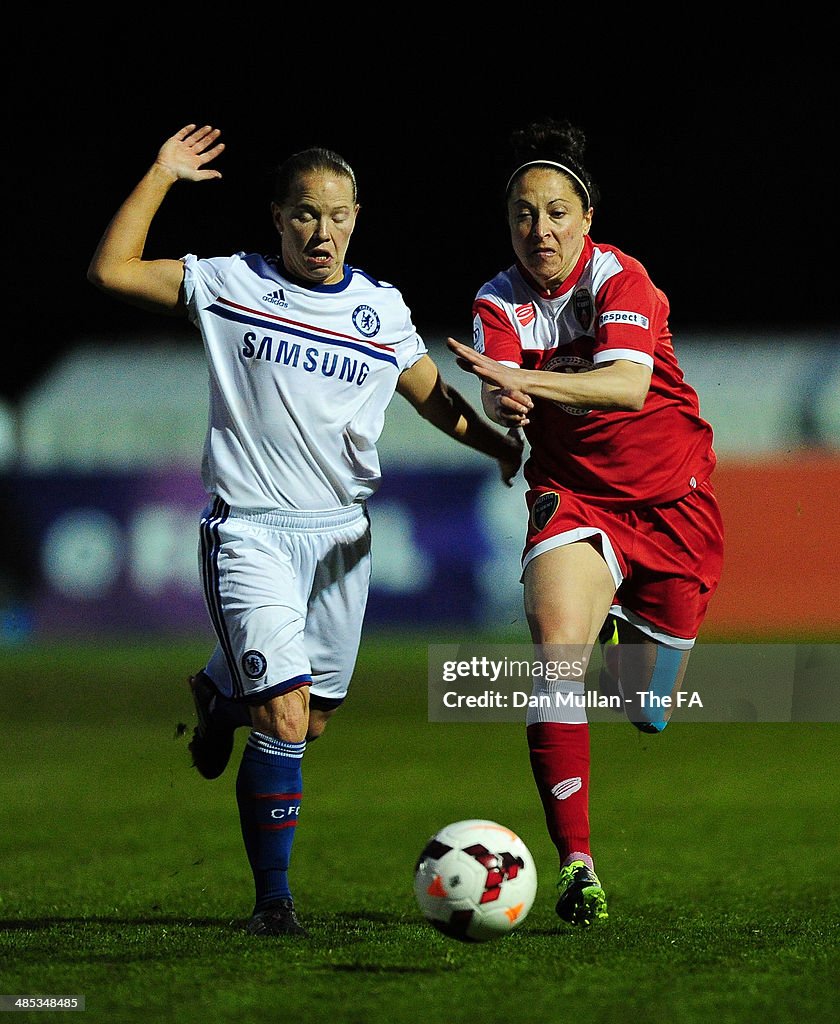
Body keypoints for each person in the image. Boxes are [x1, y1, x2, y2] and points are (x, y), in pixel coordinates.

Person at [87, 124, 523, 938]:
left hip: (341, 542)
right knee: (283, 717)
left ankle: (217, 695)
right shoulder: (228, 284)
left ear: (357, 217)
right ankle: (273, 904)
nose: (321, 233)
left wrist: (500, 447)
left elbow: (432, 397)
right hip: (249, 530)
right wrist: (160, 174)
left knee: (310, 720)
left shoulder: (381, 310)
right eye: (304, 216)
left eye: (336, 216)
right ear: (277, 219)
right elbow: (110, 269)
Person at [447, 116, 723, 927]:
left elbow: (625, 388)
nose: (541, 230)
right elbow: (504, 395)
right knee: (556, 658)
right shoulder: (497, 301)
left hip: (674, 505)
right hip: (574, 498)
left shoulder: (622, 280)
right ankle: (578, 865)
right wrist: (504, 394)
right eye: (524, 214)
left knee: (645, 709)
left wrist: (526, 381)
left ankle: (629, 650)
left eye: (557, 212)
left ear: (586, 219)